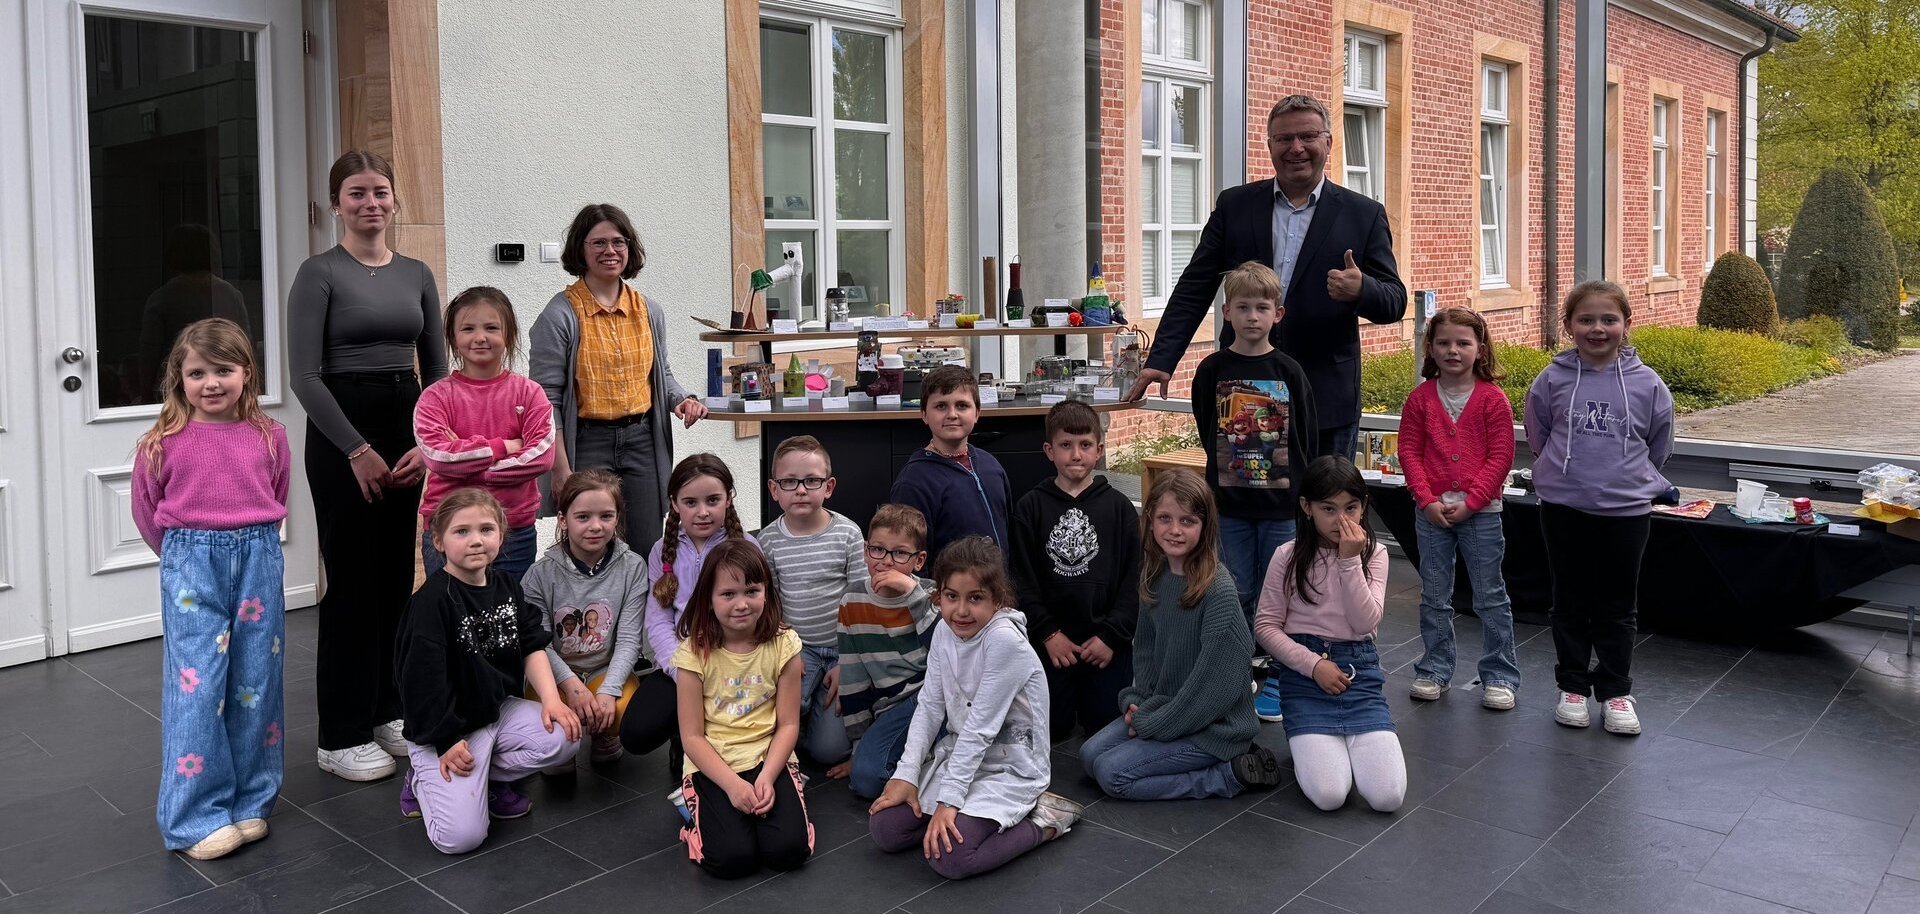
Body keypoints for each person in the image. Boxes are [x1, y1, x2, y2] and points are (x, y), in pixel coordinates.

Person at [1126, 94, 1407, 464]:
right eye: (1284, 139)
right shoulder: (1236, 206)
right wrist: (1163, 357)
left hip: (1325, 397)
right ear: (1270, 145)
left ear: (1328, 142)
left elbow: (1395, 300)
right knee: (1247, 507)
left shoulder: (1363, 214)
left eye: (1308, 136)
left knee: (1322, 511)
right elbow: (1194, 287)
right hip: (1245, 392)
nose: (1296, 148)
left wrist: (1362, 290)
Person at [289, 150, 446, 782]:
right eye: (356, 193)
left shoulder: (417, 273)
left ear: (395, 200)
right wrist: (356, 449)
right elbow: (304, 375)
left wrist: (430, 442)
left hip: (406, 427)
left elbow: (435, 370)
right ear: (336, 204)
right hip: (340, 432)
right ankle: (341, 733)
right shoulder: (318, 272)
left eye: (380, 191)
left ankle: (388, 710)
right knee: (353, 583)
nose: (370, 203)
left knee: (392, 581)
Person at [131, 318, 289, 860]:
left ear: (247, 373)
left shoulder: (270, 437)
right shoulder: (161, 443)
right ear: (180, 378)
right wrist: (185, 560)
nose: (212, 383)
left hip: (259, 557)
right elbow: (149, 514)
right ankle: (194, 815)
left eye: (224, 370)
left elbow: (277, 490)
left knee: (256, 678)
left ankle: (249, 801)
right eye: (198, 373)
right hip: (191, 564)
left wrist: (249, 545)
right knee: (198, 685)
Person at [868, 536, 1083, 879]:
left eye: (976, 598)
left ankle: (1044, 822)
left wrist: (949, 802)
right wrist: (906, 774)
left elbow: (980, 729)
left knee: (950, 859)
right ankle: (968, 819)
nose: (962, 611)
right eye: (951, 597)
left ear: (997, 600)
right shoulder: (943, 633)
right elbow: (930, 707)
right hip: (960, 755)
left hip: (1009, 765)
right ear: (939, 595)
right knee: (886, 829)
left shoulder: (1003, 641)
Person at [394, 489, 583, 854]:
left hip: (494, 711)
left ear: (501, 534)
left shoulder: (506, 586)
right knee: (459, 840)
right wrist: (445, 741)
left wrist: (551, 701)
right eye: (461, 531)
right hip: (444, 727)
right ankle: (420, 779)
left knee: (566, 733)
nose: (476, 540)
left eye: (485, 529)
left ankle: (488, 781)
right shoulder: (432, 603)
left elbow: (532, 644)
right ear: (439, 541)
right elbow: (420, 684)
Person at [1525, 280, 1674, 736]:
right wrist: (1562, 472)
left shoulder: (1648, 384)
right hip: (1564, 507)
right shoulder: (1550, 380)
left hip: (1626, 511)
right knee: (1568, 599)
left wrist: (1627, 476)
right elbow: (1538, 434)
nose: (1597, 328)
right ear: (1569, 325)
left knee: (1616, 604)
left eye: (1608, 319)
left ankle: (1615, 690)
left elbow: (1659, 444)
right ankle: (1572, 685)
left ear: (1627, 324)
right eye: (1586, 319)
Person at [1079, 470, 1282, 801]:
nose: (1174, 530)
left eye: (1187, 521)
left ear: (1204, 528)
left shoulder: (1218, 591)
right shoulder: (1154, 575)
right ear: (1151, 520)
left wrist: (1153, 724)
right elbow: (1144, 652)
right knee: (1089, 757)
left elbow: (1212, 691)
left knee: (1113, 775)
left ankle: (1228, 775)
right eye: (1164, 518)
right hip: (1166, 710)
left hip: (1215, 728)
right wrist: (1137, 701)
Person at [530, 203, 707, 556]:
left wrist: (681, 399)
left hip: (642, 441)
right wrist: (561, 469)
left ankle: (643, 613)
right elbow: (547, 400)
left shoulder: (648, 310)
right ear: (580, 248)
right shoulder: (560, 313)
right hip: (587, 442)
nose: (610, 251)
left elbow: (662, 375)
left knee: (645, 546)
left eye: (618, 242)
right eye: (598, 243)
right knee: (592, 545)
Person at [1189, 261, 1320, 723]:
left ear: (1277, 314)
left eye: (1261, 307)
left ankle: (1282, 678)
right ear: (1226, 312)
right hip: (1230, 507)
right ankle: (1236, 671)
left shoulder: (1289, 371)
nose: (1251, 316)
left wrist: (1300, 496)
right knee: (1236, 591)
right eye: (1242, 307)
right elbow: (1209, 428)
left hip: (1281, 508)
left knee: (1282, 592)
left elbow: (1306, 436)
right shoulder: (1212, 369)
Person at [1254, 457, 1406, 813]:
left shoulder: (1376, 554)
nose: (1342, 520)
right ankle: (1312, 735)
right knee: (1329, 795)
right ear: (1307, 508)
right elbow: (1265, 626)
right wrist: (1312, 666)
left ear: (1364, 506)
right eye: (1329, 508)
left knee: (1387, 797)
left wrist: (1349, 561)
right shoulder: (1287, 556)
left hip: (1359, 674)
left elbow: (1365, 624)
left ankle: (1352, 739)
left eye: (1351, 508)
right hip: (1305, 677)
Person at [620, 454, 757, 821]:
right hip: (682, 664)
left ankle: (706, 746)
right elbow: (659, 619)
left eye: (712, 500)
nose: (702, 512)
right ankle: (685, 735)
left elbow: (759, 616)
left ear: (728, 498)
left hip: (733, 665)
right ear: (674, 504)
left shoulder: (745, 548)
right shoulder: (660, 551)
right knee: (635, 733)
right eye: (690, 502)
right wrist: (681, 671)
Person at [1399, 307, 1519, 710]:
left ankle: (1500, 674)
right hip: (1430, 514)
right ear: (1430, 348)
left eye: (1463, 343)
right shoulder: (1419, 399)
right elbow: (1409, 452)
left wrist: (1471, 503)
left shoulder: (1492, 399)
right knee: (1434, 595)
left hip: (1481, 515)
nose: (1453, 350)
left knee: (1489, 595)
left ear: (1480, 348)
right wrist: (1426, 499)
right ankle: (1434, 668)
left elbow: (1501, 456)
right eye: (1444, 343)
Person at [672, 540, 813, 879]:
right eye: (728, 594)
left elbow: (789, 725)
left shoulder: (785, 645)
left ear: (767, 592)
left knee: (789, 852)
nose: (741, 604)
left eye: (752, 591)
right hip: (714, 763)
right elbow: (691, 737)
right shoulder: (693, 654)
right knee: (731, 859)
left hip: (769, 758)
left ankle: (790, 791)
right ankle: (692, 820)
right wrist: (734, 787)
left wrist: (766, 776)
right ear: (708, 598)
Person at [1009, 399, 1140, 739]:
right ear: (1049, 450)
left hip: (1106, 643)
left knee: (1106, 726)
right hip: (1052, 642)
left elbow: (1134, 578)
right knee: (1051, 729)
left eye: (1084, 445)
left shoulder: (1120, 509)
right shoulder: (1030, 508)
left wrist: (1112, 636)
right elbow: (1020, 579)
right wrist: (1048, 634)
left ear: (1099, 449)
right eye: (1066, 445)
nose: (1076, 455)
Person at [414, 286, 555, 581]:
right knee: (451, 621)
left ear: (508, 334)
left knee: (510, 619)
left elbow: (541, 458)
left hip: (513, 532)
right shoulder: (434, 397)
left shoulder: (530, 394)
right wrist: (503, 446)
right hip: (449, 528)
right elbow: (439, 459)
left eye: (491, 327)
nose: (480, 337)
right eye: (468, 328)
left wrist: (467, 467)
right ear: (452, 337)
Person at [522, 469, 649, 769]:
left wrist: (609, 690)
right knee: (557, 741)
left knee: (623, 710)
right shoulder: (540, 576)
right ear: (563, 520)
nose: (595, 526)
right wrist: (571, 687)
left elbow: (630, 639)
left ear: (617, 518)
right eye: (583, 517)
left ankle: (604, 734)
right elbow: (538, 644)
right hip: (555, 676)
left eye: (606, 516)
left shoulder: (632, 567)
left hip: (603, 670)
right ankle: (564, 745)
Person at [756, 436, 865, 766]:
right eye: (789, 482)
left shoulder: (848, 534)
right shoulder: (768, 541)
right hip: (798, 648)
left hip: (843, 651)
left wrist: (850, 662)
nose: (800, 489)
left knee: (827, 752)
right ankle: (804, 715)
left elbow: (862, 602)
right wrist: (786, 651)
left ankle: (828, 712)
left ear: (828, 486)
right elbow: (770, 604)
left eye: (811, 480)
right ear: (774, 490)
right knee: (781, 712)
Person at [835, 504, 937, 798]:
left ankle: (938, 761)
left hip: (935, 697)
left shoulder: (931, 594)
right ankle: (927, 763)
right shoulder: (852, 600)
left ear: (918, 561)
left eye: (900, 553)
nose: (886, 562)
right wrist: (859, 746)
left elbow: (948, 650)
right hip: (893, 708)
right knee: (865, 780)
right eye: (877, 550)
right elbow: (854, 678)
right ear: (866, 551)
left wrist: (914, 596)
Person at [888, 365, 1011, 564]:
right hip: (946, 593)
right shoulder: (914, 482)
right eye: (941, 406)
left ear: (977, 413)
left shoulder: (991, 466)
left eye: (962, 405)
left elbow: (1008, 533)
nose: (952, 414)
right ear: (924, 414)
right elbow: (908, 558)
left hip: (996, 590)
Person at [137, 224, 253, 402]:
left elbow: (149, 355)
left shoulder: (162, 297)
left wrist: (146, 395)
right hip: (224, 390)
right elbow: (246, 345)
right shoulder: (230, 294)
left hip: (176, 389)